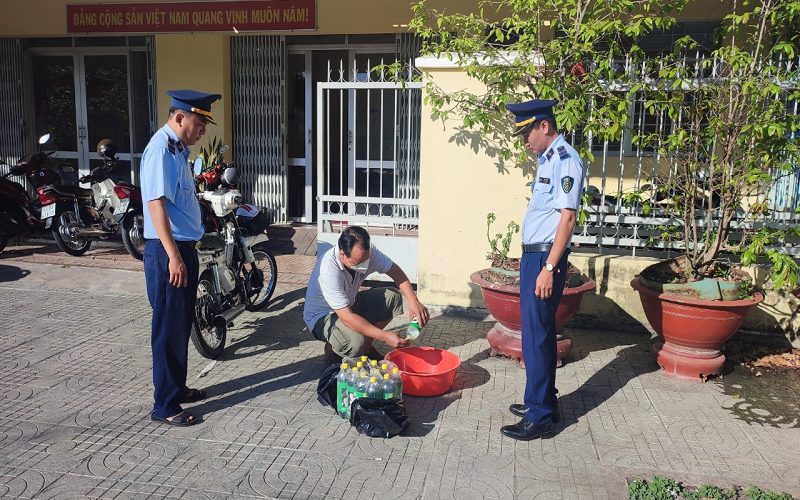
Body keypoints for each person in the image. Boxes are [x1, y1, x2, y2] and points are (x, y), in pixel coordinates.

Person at [500, 99, 584, 441]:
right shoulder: (548, 159)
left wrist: (549, 267)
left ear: (544, 126)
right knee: (540, 334)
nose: (524, 141)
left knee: (535, 338)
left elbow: (568, 217)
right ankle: (544, 400)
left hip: (545, 259)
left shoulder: (566, 160)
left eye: (527, 133)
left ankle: (539, 416)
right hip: (535, 257)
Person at [141, 89, 221, 427]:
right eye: (199, 123)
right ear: (179, 118)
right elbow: (156, 205)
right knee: (169, 329)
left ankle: (177, 387)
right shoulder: (161, 150)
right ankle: (166, 405)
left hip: (182, 250)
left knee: (182, 323)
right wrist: (174, 256)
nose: (203, 131)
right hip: (168, 251)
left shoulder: (176, 149)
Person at [304, 226, 430, 363]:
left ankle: (367, 349)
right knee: (356, 341)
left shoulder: (367, 253)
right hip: (323, 317)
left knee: (392, 297)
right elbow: (347, 318)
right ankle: (333, 350)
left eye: (366, 260)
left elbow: (394, 271)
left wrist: (413, 301)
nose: (364, 265)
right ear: (342, 254)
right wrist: (384, 336)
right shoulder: (328, 271)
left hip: (349, 304)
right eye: (358, 263)